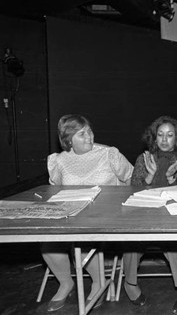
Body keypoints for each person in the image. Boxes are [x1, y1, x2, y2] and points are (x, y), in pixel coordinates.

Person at [43, 114, 134, 312]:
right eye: (82, 134)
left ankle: (97, 281)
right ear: (68, 140)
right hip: (72, 213)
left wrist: (124, 203)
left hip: (107, 213)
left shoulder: (109, 154)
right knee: (47, 241)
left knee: (82, 240)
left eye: (90, 131)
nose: (90, 137)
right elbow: (54, 189)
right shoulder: (59, 161)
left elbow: (132, 178)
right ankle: (66, 283)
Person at [122, 116, 177, 313]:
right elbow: (132, 191)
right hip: (143, 213)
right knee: (130, 238)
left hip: (172, 214)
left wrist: (170, 178)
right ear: (154, 138)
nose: (165, 140)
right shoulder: (143, 159)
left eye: (170, 135)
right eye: (160, 135)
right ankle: (130, 284)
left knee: (172, 238)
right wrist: (149, 175)